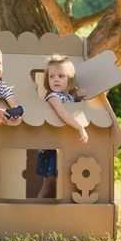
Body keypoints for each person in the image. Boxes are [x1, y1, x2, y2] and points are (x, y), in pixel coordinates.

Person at [37, 54, 89, 198]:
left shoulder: (67, 97)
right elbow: (62, 113)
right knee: (48, 187)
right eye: (52, 76)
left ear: (70, 80)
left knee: (59, 187)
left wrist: (77, 95)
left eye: (61, 76)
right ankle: (35, 212)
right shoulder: (53, 97)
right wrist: (79, 127)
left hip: (63, 144)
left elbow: (71, 101)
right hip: (51, 148)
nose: (56, 79)